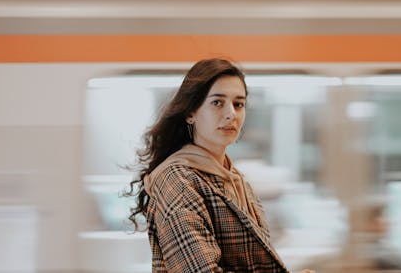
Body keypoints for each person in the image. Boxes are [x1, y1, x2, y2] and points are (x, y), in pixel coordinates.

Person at [125, 58, 313, 273]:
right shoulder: (177, 179)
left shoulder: (235, 178)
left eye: (238, 104)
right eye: (217, 102)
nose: (231, 114)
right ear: (190, 113)